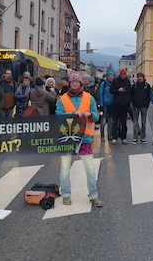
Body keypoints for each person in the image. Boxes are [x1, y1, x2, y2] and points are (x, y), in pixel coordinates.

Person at [55, 73, 102, 208]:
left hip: (85, 138)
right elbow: (58, 115)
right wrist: (72, 114)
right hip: (67, 139)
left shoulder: (89, 98)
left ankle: (93, 195)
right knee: (64, 168)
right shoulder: (62, 99)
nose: (75, 84)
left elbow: (96, 116)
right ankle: (66, 194)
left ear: (81, 84)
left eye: (77, 82)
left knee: (90, 169)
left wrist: (90, 114)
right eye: (72, 82)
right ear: (69, 84)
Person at [109, 68, 132, 144]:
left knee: (124, 122)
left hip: (125, 105)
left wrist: (128, 101)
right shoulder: (115, 81)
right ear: (120, 74)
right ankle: (114, 137)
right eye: (122, 75)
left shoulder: (127, 81)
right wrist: (118, 91)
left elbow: (129, 92)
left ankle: (123, 138)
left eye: (124, 75)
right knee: (115, 121)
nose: (123, 76)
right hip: (116, 104)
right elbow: (111, 91)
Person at [130, 72, 151, 144]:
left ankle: (143, 137)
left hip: (144, 106)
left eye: (141, 77)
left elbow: (149, 96)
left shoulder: (147, 86)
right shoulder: (134, 86)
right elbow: (131, 95)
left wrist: (147, 104)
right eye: (138, 77)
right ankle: (135, 137)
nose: (139, 78)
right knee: (135, 123)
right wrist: (133, 103)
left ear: (143, 78)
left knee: (143, 123)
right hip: (135, 106)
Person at [98, 71, 115, 142]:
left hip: (112, 104)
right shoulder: (103, 84)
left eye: (112, 76)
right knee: (103, 121)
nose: (110, 77)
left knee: (111, 121)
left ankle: (110, 135)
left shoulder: (114, 84)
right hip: (104, 104)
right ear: (107, 77)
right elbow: (100, 94)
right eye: (109, 76)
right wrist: (101, 105)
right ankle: (102, 136)